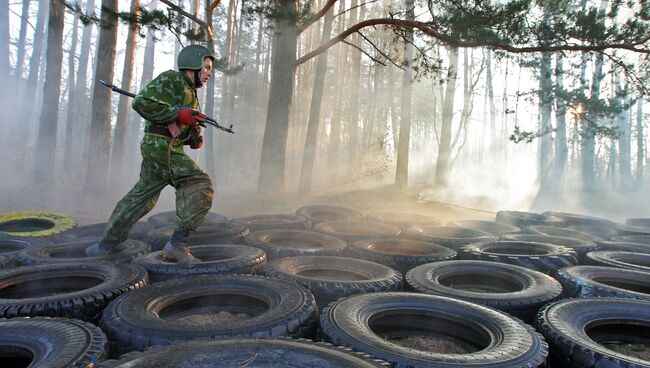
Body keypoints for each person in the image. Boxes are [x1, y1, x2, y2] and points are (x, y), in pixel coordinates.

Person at [85, 45, 215, 264]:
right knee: (199, 183)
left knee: (142, 197)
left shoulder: (190, 93)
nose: (209, 73)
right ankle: (177, 244)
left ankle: (105, 245)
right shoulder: (173, 79)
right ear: (193, 65)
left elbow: (180, 121)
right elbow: (142, 102)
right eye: (206, 67)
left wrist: (194, 136)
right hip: (161, 145)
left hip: (163, 146)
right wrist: (178, 114)